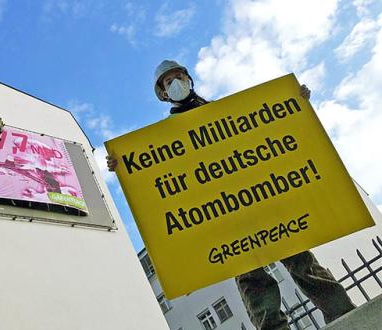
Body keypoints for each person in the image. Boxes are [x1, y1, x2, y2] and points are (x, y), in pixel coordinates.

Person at [106, 60, 355, 330]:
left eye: (180, 76)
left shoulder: (227, 111)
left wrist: (295, 102)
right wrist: (123, 165)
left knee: (302, 262)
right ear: (164, 94)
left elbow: (268, 130)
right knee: (253, 282)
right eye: (169, 82)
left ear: (190, 79)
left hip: (263, 200)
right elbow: (156, 174)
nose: (177, 82)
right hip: (224, 219)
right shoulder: (164, 137)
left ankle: (347, 317)